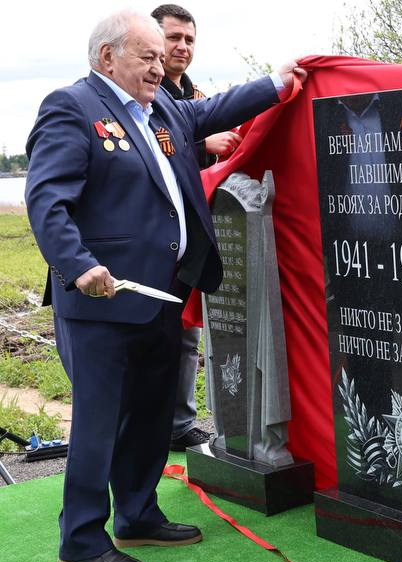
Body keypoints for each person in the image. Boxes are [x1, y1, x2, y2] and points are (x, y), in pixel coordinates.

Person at [25, 10, 306, 562]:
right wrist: (79, 265)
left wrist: (277, 83)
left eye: (162, 57)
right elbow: (47, 199)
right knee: (101, 422)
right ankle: (81, 540)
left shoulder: (163, 111)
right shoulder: (71, 107)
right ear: (108, 57)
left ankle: (137, 513)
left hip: (162, 293)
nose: (160, 67)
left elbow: (214, 109)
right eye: (147, 56)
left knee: (152, 415)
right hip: (103, 298)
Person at [152, 3, 236, 450]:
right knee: (153, 338)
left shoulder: (197, 96)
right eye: (173, 38)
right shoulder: (143, 94)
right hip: (156, 239)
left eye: (189, 40)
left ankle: (180, 424)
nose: (182, 47)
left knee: (189, 336)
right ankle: (147, 426)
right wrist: (204, 144)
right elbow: (151, 155)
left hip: (194, 238)